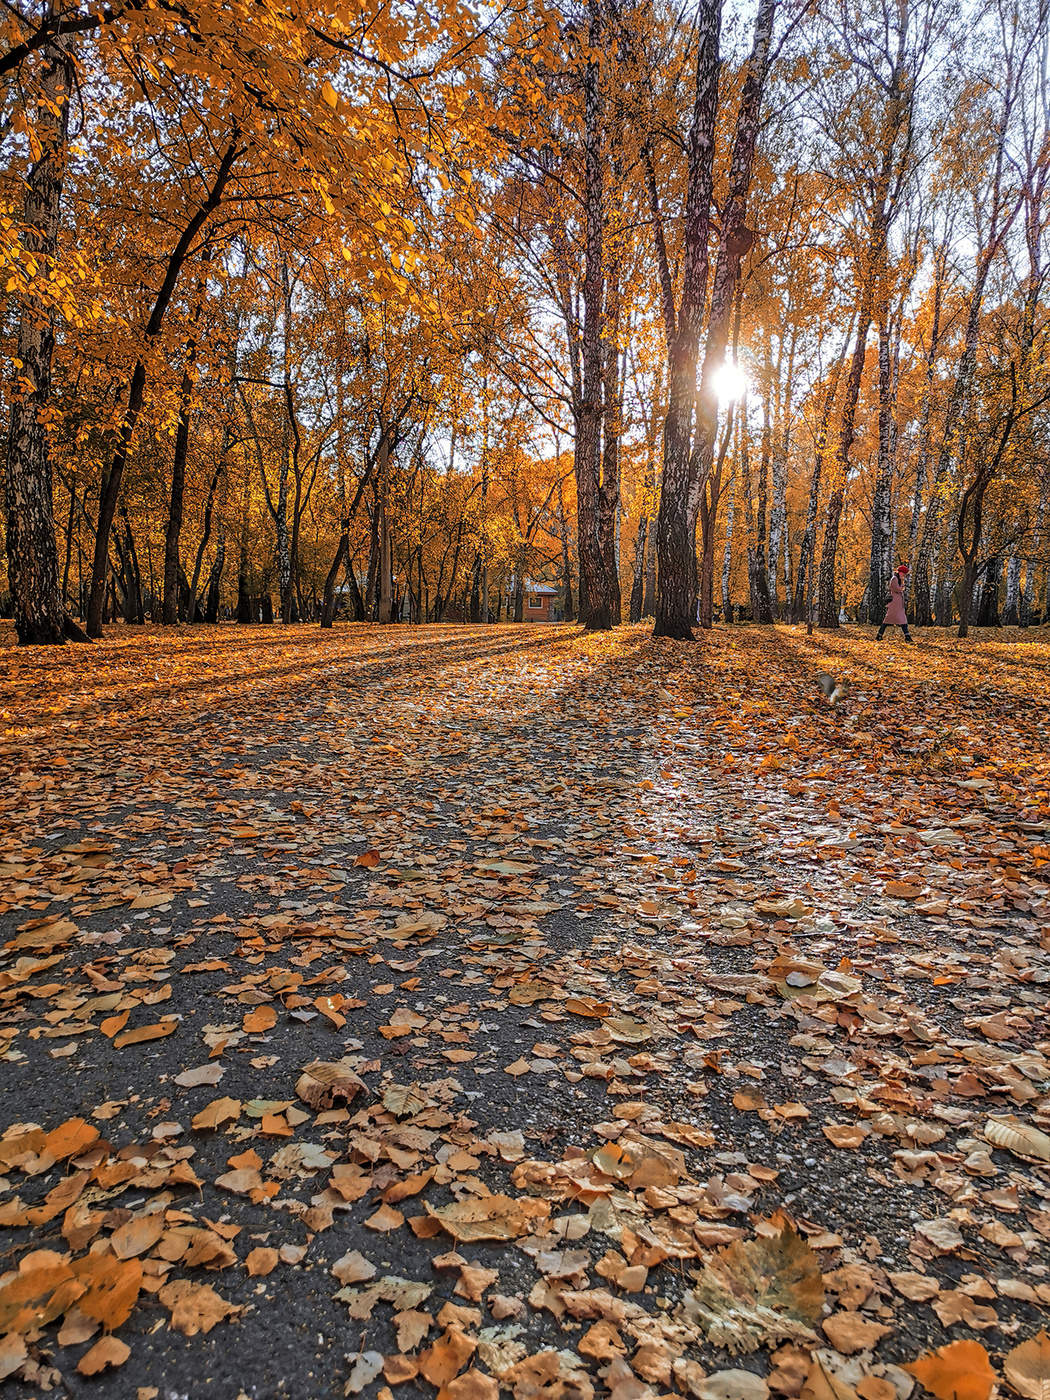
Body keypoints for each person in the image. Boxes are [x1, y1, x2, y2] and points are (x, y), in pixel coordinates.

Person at [877, 563, 913, 642]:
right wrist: (902, 587)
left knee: (903, 620)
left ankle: (907, 637)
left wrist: (902, 584)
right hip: (894, 603)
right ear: (900, 572)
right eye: (903, 573)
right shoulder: (894, 579)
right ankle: (879, 635)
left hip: (898, 604)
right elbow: (897, 589)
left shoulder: (898, 579)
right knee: (888, 620)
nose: (904, 575)